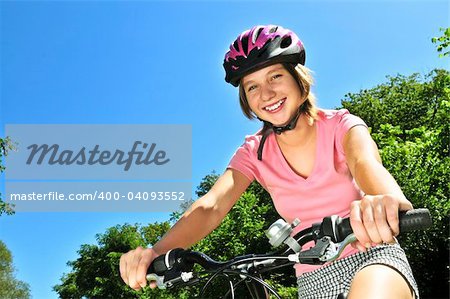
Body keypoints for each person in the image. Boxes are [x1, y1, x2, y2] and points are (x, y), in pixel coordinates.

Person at [120, 25, 419, 298]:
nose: (266, 94)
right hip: (313, 276)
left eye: (275, 76)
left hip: (375, 257)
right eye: (252, 87)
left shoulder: (342, 124)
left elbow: (365, 163)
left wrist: (385, 200)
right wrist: (156, 252)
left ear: (298, 80)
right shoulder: (254, 152)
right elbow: (211, 206)